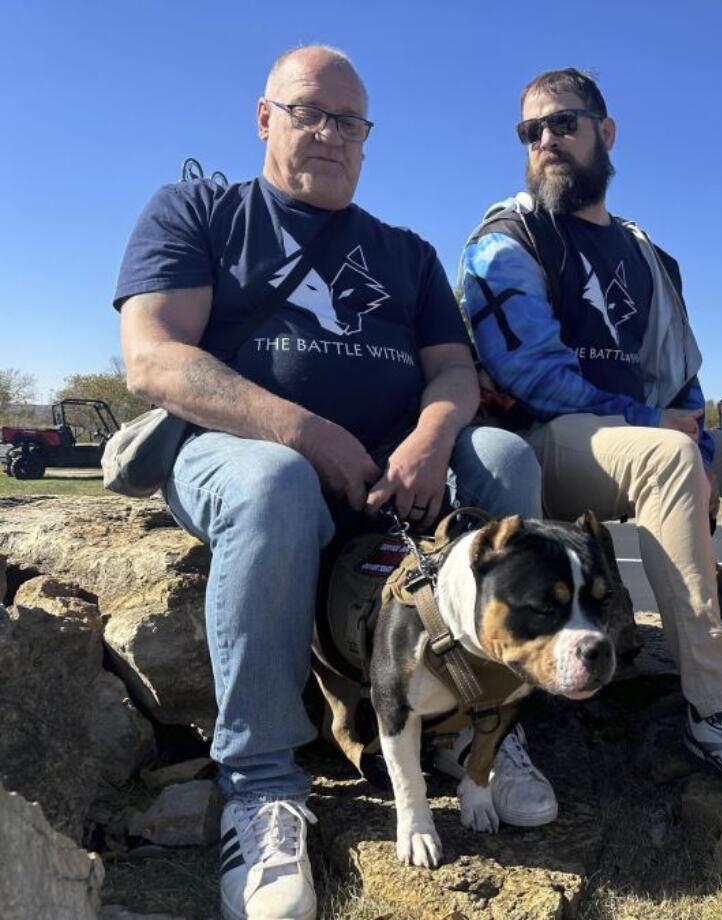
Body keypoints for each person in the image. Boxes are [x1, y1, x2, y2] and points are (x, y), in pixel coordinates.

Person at [114, 46, 546, 920]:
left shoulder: (406, 253)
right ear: (264, 116)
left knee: (505, 458)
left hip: (398, 471)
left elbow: (454, 374)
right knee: (277, 481)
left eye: (350, 122)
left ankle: (486, 729)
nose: (330, 134)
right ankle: (262, 786)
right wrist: (304, 432)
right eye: (308, 111)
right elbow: (153, 357)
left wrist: (431, 436)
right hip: (235, 456)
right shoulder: (200, 211)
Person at [458, 68, 722, 805]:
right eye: (531, 132)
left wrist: (688, 418)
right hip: (545, 440)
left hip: (639, 436)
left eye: (563, 123)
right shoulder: (509, 236)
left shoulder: (648, 253)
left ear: (605, 131)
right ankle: (718, 708)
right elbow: (526, 370)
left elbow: (680, 366)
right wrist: (657, 425)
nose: (547, 142)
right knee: (667, 457)